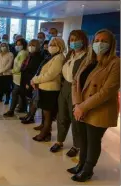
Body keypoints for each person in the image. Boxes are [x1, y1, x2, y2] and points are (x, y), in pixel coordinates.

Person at [70, 29, 120, 182]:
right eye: (97, 40)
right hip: (82, 108)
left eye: (104, 41)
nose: (99, 44)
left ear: (111, 44)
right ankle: (81, 164)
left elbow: (106, 92)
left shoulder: (116, 63)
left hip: (99, 109)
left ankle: (88, 169)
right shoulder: (89, 60)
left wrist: (82, 107)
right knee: (83, 139)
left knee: (93, 141)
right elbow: (75, 82)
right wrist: (77, 104)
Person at [50, 30, 88, 157]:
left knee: (75, 120)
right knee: (62, 116)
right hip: (65, 87)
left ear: (83, 40)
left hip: (76, 90)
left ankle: (76, 146)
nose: (74, 42)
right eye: (71, 40)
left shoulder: (86, 57)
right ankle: (59, 141)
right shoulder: (69, 55)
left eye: (76, 39)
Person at [31, 37, 65, 142]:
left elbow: (50, 75)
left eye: (54, 45)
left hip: (51, 89)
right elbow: (42, 70)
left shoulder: (59, 58)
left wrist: (35, 79)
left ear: (60, 46)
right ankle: (46, 131)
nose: (51, 46)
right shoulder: (51, 56)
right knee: (44, 111)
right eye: (51, 44)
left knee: (48, 113)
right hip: (44, 87)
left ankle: (45, 132)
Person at [19, 39, 44, 124]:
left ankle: (31, 117)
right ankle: (28, 115)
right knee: (28, 98)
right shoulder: (30, 55)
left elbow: (35, 71)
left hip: (32, 81)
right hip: (26, 79)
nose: (30, 47)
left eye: (33, 45)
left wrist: (29, 82)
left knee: (33, 100)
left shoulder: (38, 57)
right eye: (30, 45)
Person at [4, 38, 29, 117]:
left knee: (15, 93)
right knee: (21, 94)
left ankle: (11, 111)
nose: (17, 46)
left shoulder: (23, 53)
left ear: (23, 45)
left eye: (19, 45)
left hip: (20, 77)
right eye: (17, 44)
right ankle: (23, 108)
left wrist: (12, 71)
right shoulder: (20, 52)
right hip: (17, 77)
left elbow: (19, 66)